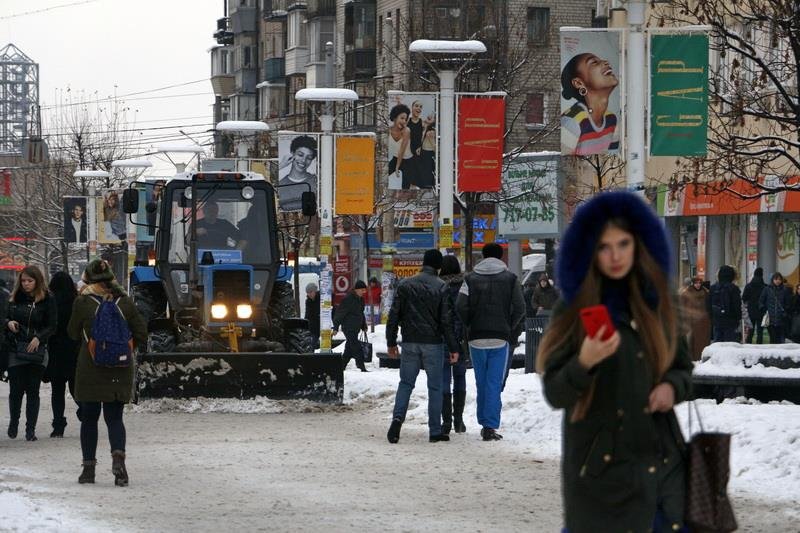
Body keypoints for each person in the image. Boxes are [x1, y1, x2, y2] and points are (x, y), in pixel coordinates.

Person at [535, 191, 692, 533]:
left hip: (660, 465)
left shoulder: (658, 304)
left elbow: (683, 369)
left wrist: (671, 387)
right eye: (605, 247)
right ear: (591, 250)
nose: (615, 255)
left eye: (623, 244)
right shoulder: (574, 309)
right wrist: (584, 362)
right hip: (600, 472)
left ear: (638, 245)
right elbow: (555, 392)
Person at [68, 259, 146, 486]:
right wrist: (124, 350)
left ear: (88, 279)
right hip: (120, 369)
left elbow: (72, 332)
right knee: (114, 418)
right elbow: (142, 333)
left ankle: (88, 470)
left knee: (89, 419)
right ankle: (118, 459)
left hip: (90, 367)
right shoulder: (126, 303)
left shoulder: (82, 302)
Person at [386, 249, 459, 444]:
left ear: (423, 263)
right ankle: (435, 430)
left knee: (406, 383)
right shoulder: (442, 287)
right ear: (438, 266)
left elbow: (394, 315)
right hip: (433, 344)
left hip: (410, 341)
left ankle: (397, 420)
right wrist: (453, 347)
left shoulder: (405, 285)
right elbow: (446, 321)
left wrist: (391, 342)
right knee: (435, 387)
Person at [456, 242, 525, 441]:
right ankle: (489, 426)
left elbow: (460, 305)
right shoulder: (511, 279)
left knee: (481, 381)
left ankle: (483, 420)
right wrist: (509, 327)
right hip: (500, 338)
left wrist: (470, 323)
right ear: (501, 257)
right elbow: (520, 308)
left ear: (483, 256)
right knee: (494, 382)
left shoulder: (470, 279)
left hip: (476, 338)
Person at [3, 266, 57, 441]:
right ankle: (14, 422)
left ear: (37, 281)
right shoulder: (14, 298)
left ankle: (30, 429)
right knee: (16, 390)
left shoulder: (47, 299)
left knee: (33, 390)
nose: (26, 284)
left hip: (37, 350)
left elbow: (52, 325)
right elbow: (4, 316)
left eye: (30, 281)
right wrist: (8, 322)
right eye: (23, 281)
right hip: (16, 347)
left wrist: (39, 338)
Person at [560, 53, 620, 155]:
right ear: (579, 83)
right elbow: (564, 166)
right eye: (594, 62)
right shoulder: (571, 122)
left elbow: (612, 160)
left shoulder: (612, 119)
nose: (606, 62)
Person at [44, 272, 80, 438]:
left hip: (55, 351)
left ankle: (58, 425)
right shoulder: (76, 302)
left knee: (57, 390)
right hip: (74, 350)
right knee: (75, 387)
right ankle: (84, 411)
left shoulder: (50, 302)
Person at [439, 255, 467, 435]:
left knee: (443, 379)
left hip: (441, 339)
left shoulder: (438, 286)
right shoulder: (465, 285)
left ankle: (446, 421)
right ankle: (459, 420)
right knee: (460, 377)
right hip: (461, 339)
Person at [334, 280, 368, 372]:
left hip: (356, 327)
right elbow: (340, 313)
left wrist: (363, 325)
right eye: (362, 290)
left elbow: (361, 313)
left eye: (364, 290)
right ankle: (361, 366)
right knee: (356, 346)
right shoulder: (348, 299)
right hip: (348, 327)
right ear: (356, 290)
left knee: (349, 349)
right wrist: (336, 327)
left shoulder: (361, 300)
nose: (363, 292)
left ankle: (341, 366)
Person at [278, 135, 318, 212]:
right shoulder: (280, 183)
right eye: (300, 155)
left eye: (309, 158)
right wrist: (281, 165)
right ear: (292, 154)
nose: (303, 160)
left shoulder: (316, 181)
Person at [680, 275, 711, 360]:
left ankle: (702, 357)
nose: (698, 285)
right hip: (691, 320)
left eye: (699, 283)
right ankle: (692, 358)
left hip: (704, 321)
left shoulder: (706, 292)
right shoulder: (686, 293)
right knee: (692, 341)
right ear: (693, 283)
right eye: (696, 283)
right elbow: (682, 307)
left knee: (703, 341)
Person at [709, 265, 742, 342]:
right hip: (730, 322)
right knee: (729, 345)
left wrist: (712, 318)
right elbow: (737, 306)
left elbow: (708, 305)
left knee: (717, 343)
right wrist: (738, 318)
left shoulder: (713, 288)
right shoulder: (734, 288)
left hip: (717, 321)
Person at [759, 272, 792, 344]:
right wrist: (764, 310)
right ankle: (773, 354)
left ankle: (780, 354)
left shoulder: (784, 290)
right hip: (770, 318)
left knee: (780, 339)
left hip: (781, 318)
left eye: (780, 279)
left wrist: (785, 311)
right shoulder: (767, 289)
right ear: (772, 280)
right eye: (776, 279)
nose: (778, 281)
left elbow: (788, 303)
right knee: (772, 338)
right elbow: (761, 301)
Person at [387, 104, 413, 189]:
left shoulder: (406, 130)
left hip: (408, 161)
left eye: (405, 119)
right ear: (394, 118)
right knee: (383, 175)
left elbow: (402, 150)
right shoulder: (388, 130)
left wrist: (397, 167)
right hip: (395, 158)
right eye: (402, 118)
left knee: (405, 186)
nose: (404, 121)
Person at [741, 267, 767, 344]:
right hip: (761, 311)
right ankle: (759, 347)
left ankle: (749, 346)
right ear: (762, 275)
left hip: (751, 310)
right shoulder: (765, 287)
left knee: (751, 330)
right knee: (760, 331)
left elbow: (744, 298)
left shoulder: (748, 286)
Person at [304, 282, 320, 350]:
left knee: (326, 344)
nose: (309, 294)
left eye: (311, 292)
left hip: (323, 324)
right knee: (311, 344)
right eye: (308, 292)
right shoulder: (308, 301)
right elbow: (307, 314)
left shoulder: (321, 299)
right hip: (313, 326)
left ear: (315, 291)